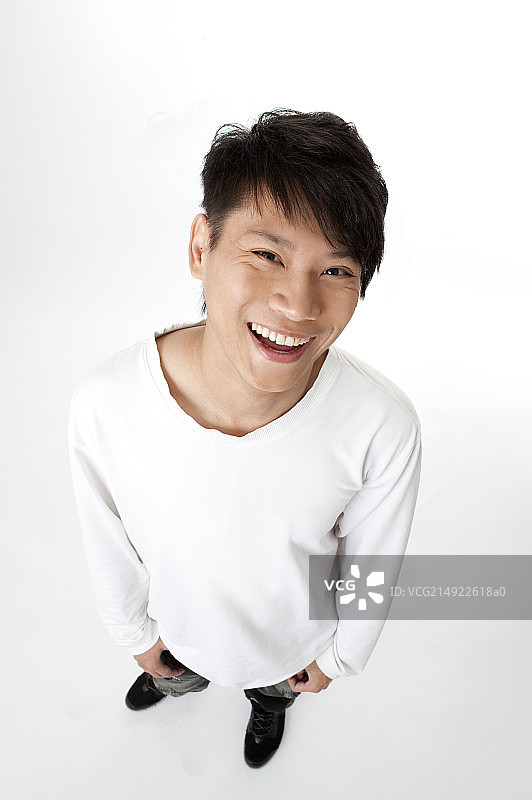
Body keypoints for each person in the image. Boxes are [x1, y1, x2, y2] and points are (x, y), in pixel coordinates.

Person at [68, 109, 422, 769]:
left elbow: (373, 560)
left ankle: (267, 704)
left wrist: (338, 658)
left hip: (290, 648)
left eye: (336, 270)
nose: (298, 304)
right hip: (175, 629)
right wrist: (135, 635)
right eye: (268, 255)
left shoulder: (382, 426)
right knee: (176, 667)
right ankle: (174, 679)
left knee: (274, 687)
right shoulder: (107, 402)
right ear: (201, 247)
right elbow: (106, 536)